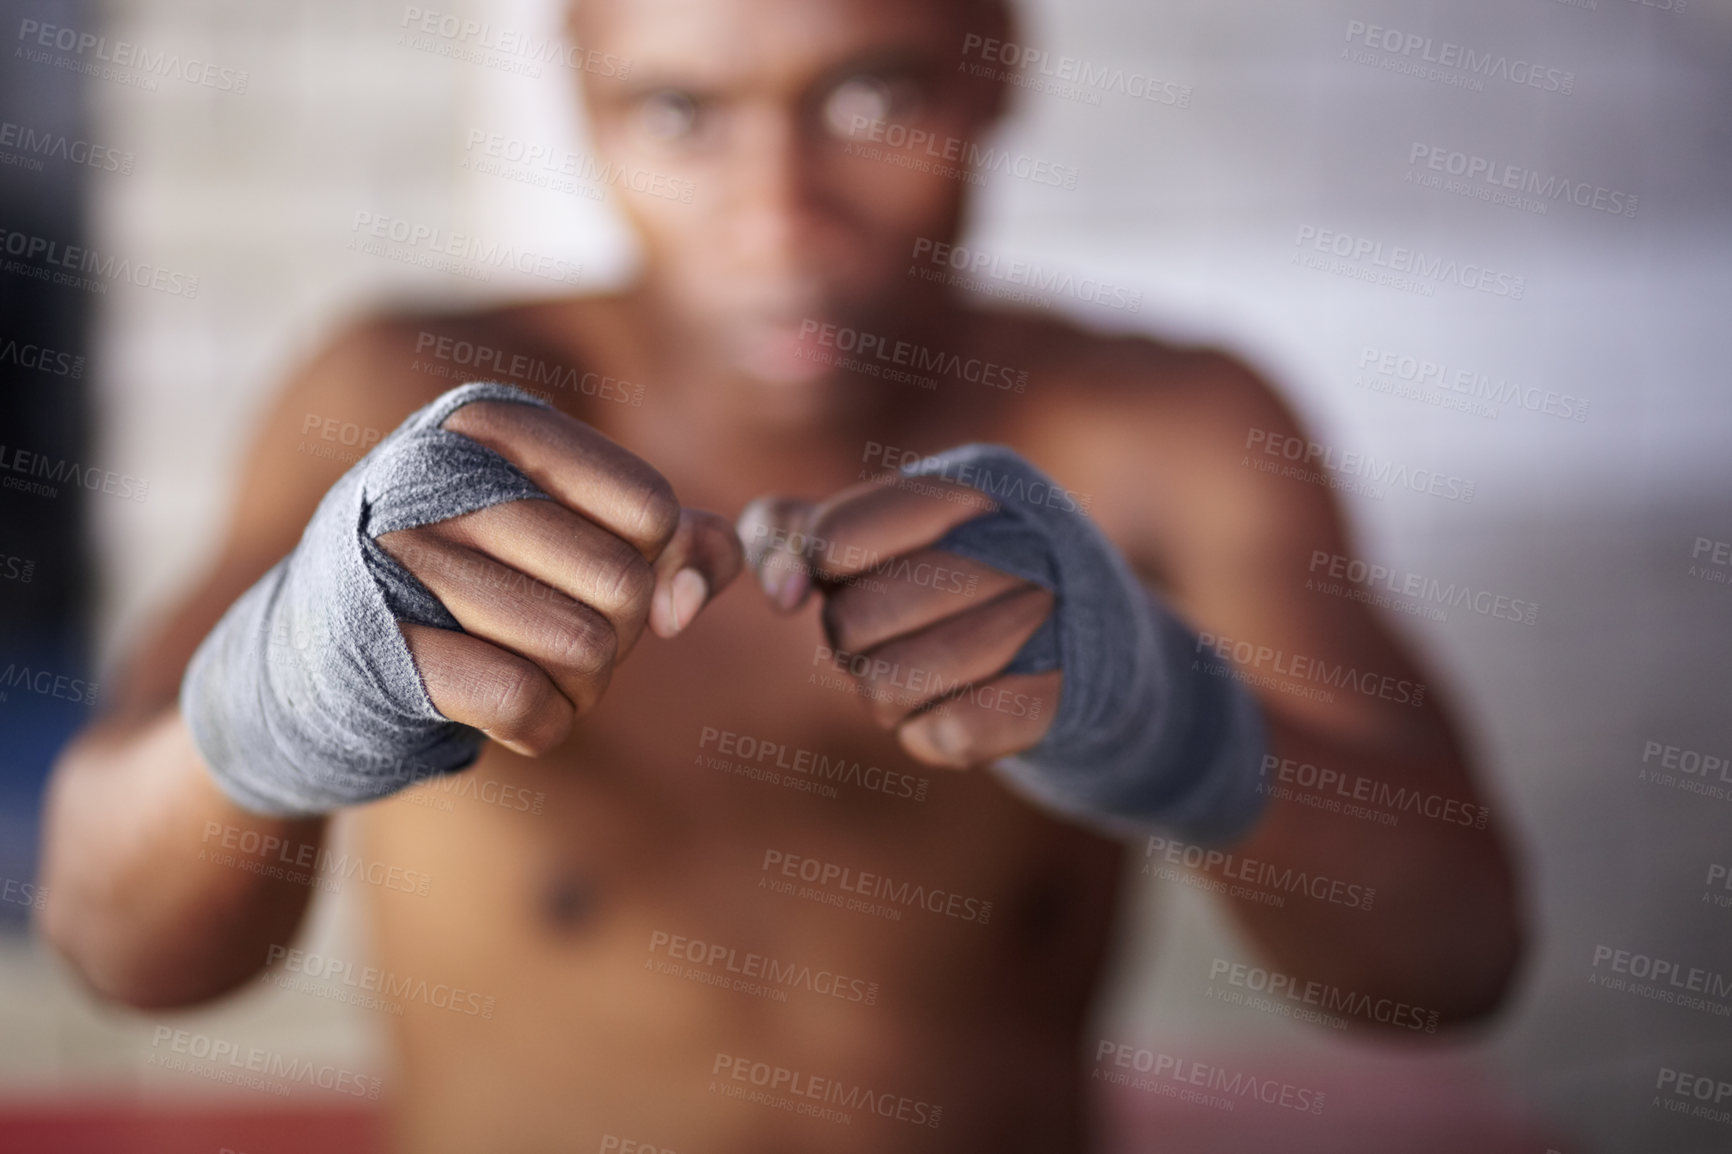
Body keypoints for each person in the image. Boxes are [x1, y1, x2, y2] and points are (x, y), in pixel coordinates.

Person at [35, 0, 1524, 1149]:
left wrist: (1174, 725)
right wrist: (272, 704)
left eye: (872, 94)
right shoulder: (405, 393)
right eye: (679, 111)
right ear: (582, 90)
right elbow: (116, 940)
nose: (778, 213)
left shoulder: (1161, 431)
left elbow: (1453, 960)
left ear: (996, 60)